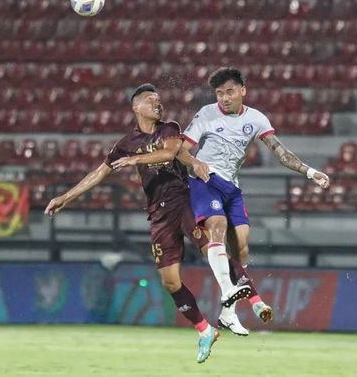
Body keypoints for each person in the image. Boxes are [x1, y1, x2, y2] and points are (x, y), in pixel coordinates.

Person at [45, 83, 247, 363]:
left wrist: (134, 160)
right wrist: (66, 196)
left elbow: (169, 153)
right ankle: (204, 330)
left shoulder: (170, 129)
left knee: (211, 247)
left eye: (159, 100)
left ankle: (248, 293)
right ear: (136, 107)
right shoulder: (126, 144)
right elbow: (99, 173)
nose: (158, 104)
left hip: (184, 202)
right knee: (170, 281)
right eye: (151, 100)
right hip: (159, 215)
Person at [177, 67, 331, 336]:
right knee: (217, 226)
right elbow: (181, 150)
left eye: (230, 91)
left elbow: (280, 153)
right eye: (220, 93)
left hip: (232, 189)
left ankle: (228, 313)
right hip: (206, 181)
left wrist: (310, 171)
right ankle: (228, 290)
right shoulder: (206, 113)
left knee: (242, 249)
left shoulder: (257, 119)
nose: (224, 98)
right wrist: (196, 162)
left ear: (243, 90)